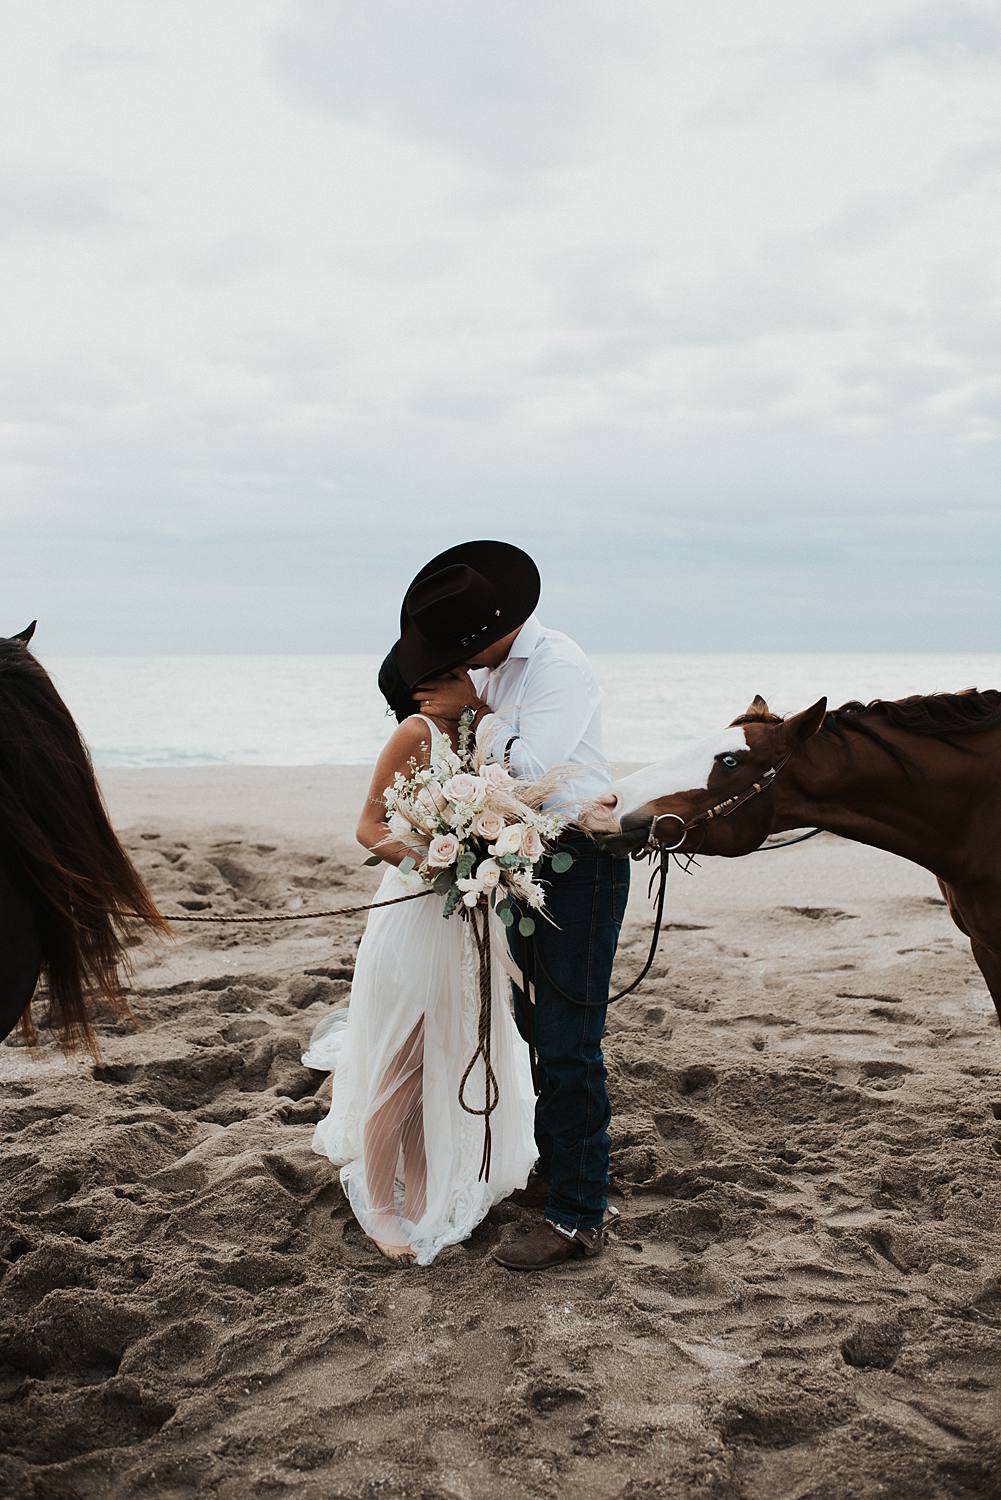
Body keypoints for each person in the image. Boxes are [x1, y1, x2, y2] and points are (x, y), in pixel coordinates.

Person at [407, 541, 631, 1270]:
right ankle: (556, 1169)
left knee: (569, 1040)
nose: (459, 665)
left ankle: (578, 1215)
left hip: (580, 863)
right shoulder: (494, 670)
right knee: (530, 1024)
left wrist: (475, 712)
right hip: (519, 860)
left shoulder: (555, 665)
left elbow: (535, 767)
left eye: (463, 650)